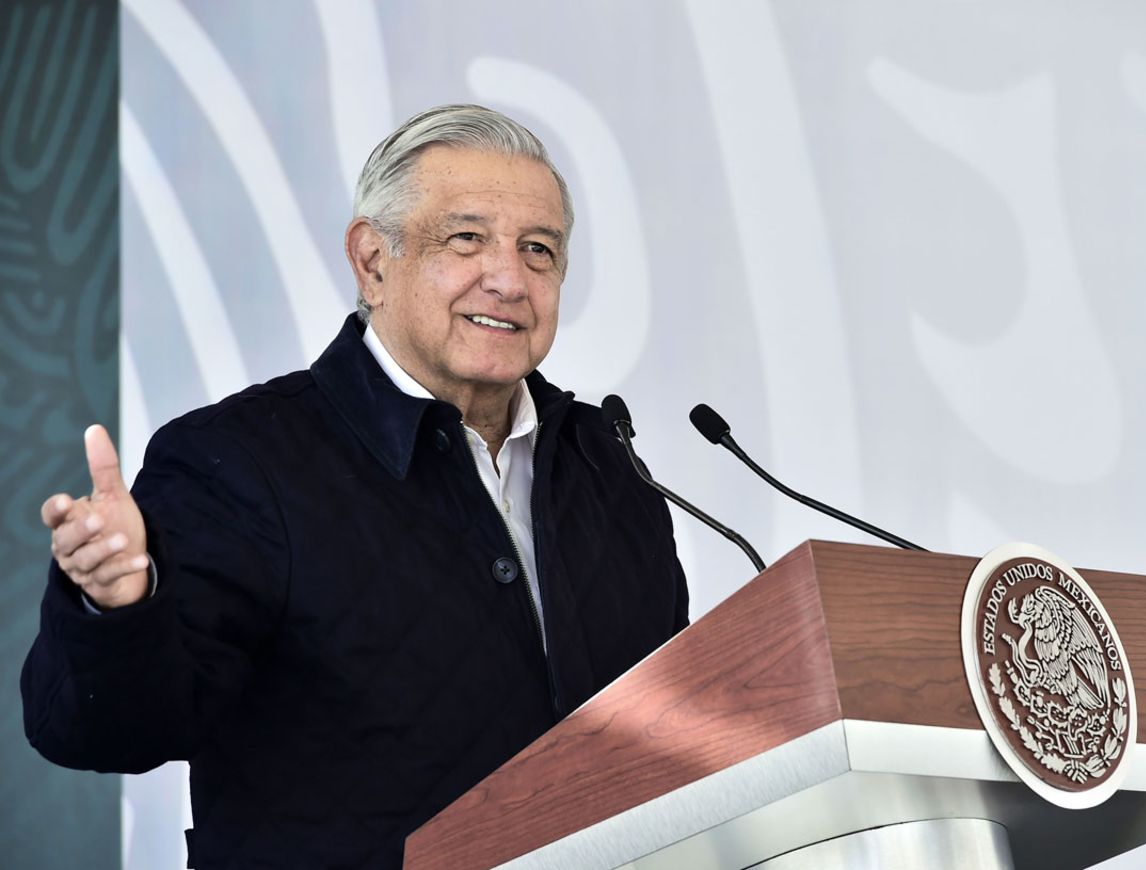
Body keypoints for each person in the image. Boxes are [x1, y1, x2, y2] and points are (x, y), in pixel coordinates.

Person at [22, 104, 688, 869]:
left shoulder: (608, 465)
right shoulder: (239, 459)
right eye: (466, 238)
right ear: (373, 260)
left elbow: (668, 733)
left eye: (539, 250)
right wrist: (116, 609)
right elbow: (103, 729)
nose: (509, 278)